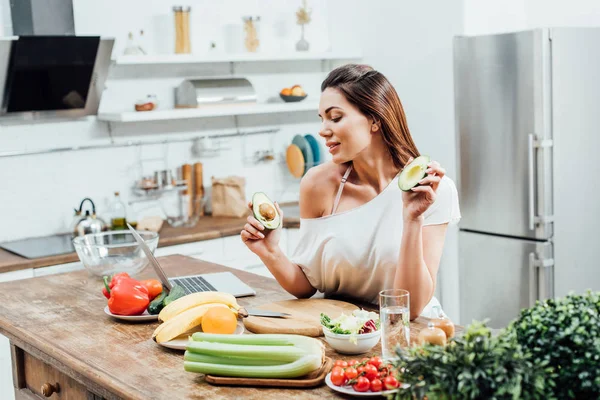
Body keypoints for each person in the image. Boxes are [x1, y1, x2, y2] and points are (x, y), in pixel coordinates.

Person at [240, 64, 460, 319]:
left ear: (375, 119)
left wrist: (412, 218)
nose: (323, 130)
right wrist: (271, 252)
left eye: (335, 117)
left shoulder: (432, 190)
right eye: (321, 119)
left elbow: (410, 310)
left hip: (410, 335)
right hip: (341, 331)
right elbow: (305, 285)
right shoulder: (317, 184)